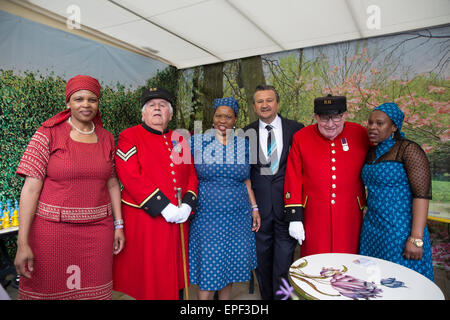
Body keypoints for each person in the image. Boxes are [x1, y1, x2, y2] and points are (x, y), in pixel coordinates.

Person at [14, 75, 125, 300]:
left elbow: (112, 183)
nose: (86, 104)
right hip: (52, 234)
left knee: (94, 293)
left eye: (92, 99)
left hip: (98, 233)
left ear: (98, 103)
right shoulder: (47, 134)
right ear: (68, 103)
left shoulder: (107, 138)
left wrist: (118, 225)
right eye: (79, 99)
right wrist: (22, 242)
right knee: (49, 291)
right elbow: (30, 190)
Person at [113, 87, 198, 300]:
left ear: (170, 114)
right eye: (151, 105)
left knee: (176, 275)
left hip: (179, 218)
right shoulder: (129, 136)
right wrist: (163, 206)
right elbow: (130, 174)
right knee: (151, 278)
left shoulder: (179, 139)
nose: (157, 108)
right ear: (143, 113)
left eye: (163, 105)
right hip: (147, 220)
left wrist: (188, 203)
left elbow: (191, 175)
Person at [189, 97, 261, 300]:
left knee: (228, 263)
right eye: (218, 115)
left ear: (235, 119)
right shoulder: (196, 142)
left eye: (228, 116)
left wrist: (254, 208)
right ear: (213, 117)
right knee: (209, 265)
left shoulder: (244, 145)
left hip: (237, 215)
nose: (222, 120)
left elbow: (246, 180)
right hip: (206, 214)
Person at [284, 94, 369, 257]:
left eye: (336, 117)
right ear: (316, 117)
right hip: (314, 214)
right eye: (324, 118)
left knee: (349, 260)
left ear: (345, 115)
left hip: (350, 214)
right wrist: (294, 216)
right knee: (316, 262)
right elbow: (293, 177)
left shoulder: (361, 133)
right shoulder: (301, 137)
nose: (330, 124)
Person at [359, 103, 434, 280]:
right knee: (373, 281)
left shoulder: (408, 150)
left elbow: (421, 196)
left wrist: (416, 238)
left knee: (399, 281)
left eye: (379, 123)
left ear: (394, 127)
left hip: (400, 230)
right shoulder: (371, 152)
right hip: (372, 228)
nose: (372, 127)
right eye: (370, 123)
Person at [243, 85, 304, 300]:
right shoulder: (244, 133)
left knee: (284, 262)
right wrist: (252, 207)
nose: (265, 105)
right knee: (262, 263)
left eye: (269, 100)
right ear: (254, 106)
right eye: (260, 101)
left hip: (288, 207)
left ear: (277, 103)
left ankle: (283, 299)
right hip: (258, 211)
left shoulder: (297, 129)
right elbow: (244, 174)